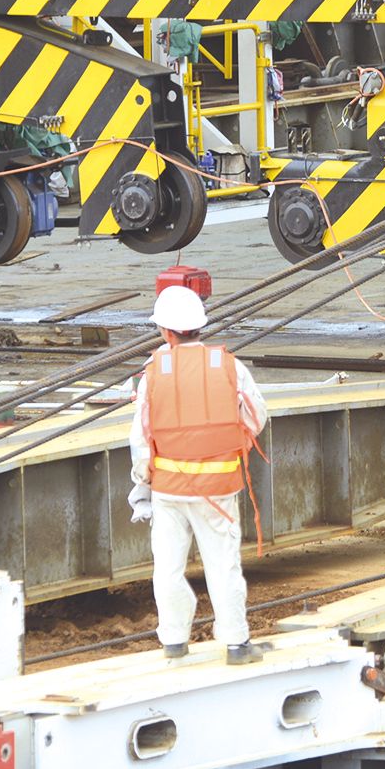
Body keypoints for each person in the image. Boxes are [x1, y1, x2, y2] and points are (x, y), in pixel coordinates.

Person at [128, 284, 269, 664]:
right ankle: (237, 643)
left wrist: (143, 480)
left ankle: (174, 640)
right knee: (223, 564)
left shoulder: (153, 372)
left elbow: (141, 436)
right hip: (218, 488)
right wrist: (226, 438)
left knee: (168, 567)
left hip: (169, 489)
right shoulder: (227, 365)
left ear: (165, 332)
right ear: (198, 327)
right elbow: (257, 415)